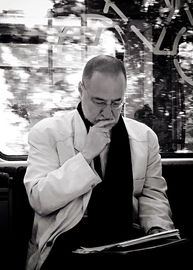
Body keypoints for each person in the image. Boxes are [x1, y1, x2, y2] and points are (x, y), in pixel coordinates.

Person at [24, 55, 176, 270]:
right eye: (99, 102)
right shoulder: (47, 132)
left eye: (116, 103)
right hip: (67, 240)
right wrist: (85, 156)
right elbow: (40, 199)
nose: (108, 112)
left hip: (128, 240)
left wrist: (157, 228)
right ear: (81, 89)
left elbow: (153, 195)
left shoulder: (145, 137)